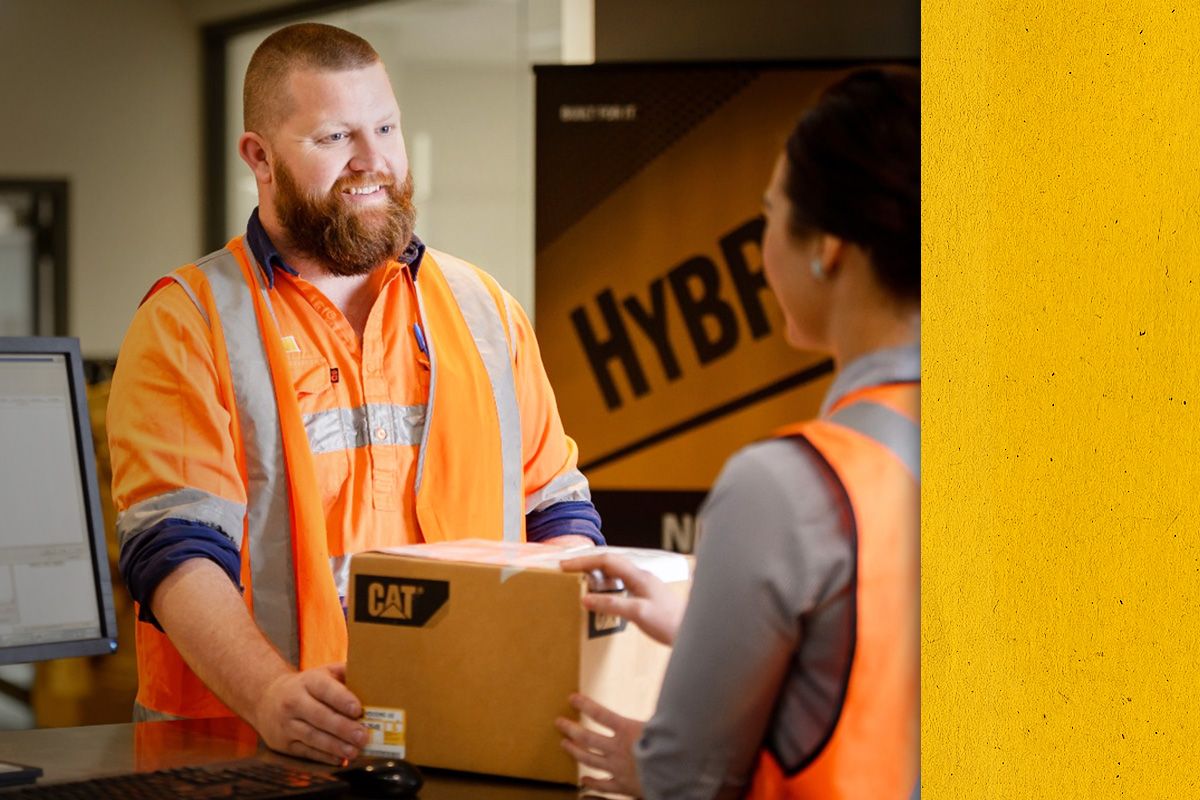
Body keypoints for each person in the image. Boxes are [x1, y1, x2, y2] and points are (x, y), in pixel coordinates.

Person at [107, 22, 602, 765]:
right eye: (336, 136)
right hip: (244, 760)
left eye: (386, 127)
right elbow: (175, 553)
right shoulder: (190, 321)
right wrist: (272, 694)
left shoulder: (485, 310)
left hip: (462, 741)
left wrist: (551, 661)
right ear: (259, 158)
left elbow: (556, 511)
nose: (373, 162)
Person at [555, 66, 920, 798]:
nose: (763, 245)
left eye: (771, 213)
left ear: (832, 247)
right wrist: (710, 623)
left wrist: (647, 766)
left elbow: (688, 778)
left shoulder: (787, 487)